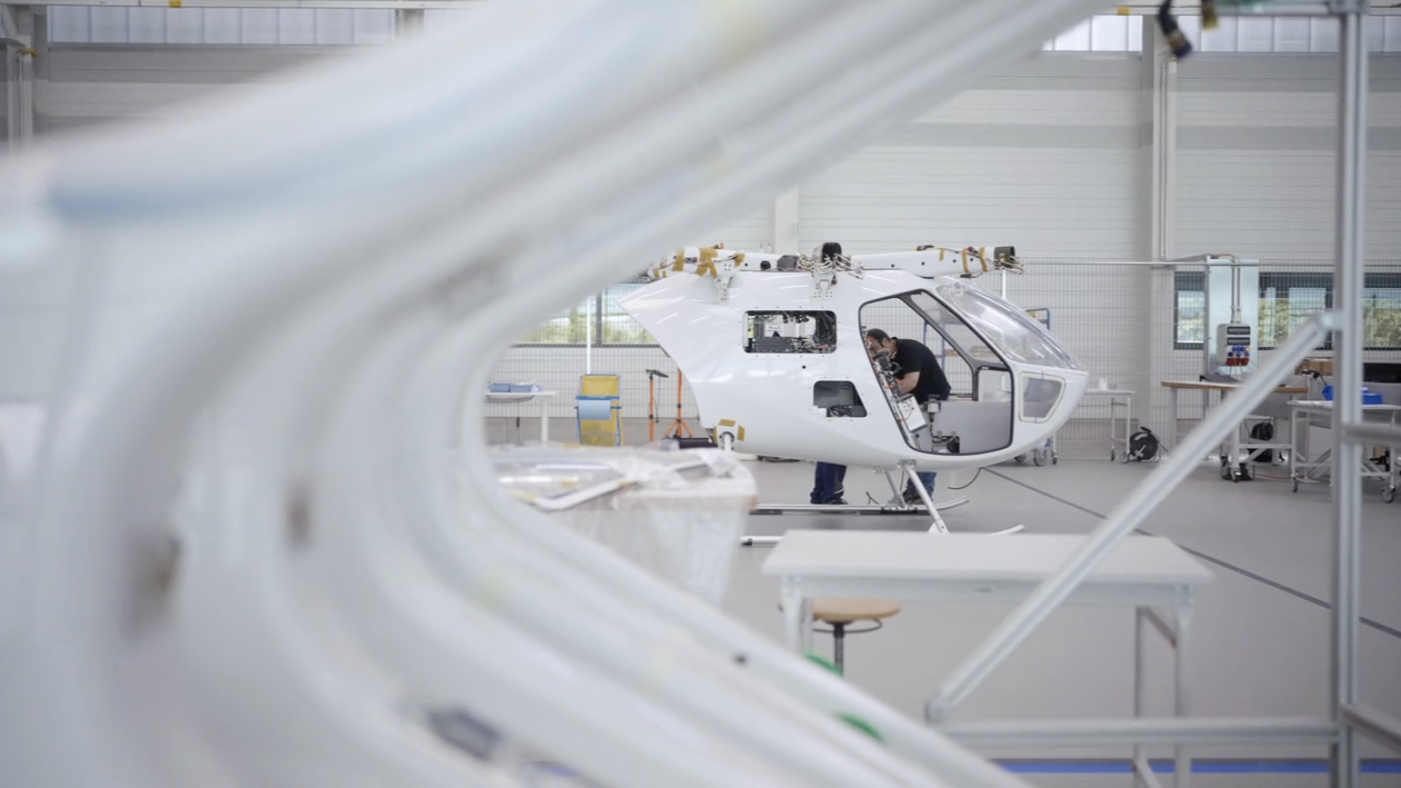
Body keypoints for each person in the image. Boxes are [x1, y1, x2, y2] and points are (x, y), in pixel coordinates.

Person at [864, 327, 951, 503]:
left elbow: (910, 383)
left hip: (932, 400)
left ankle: (921, 494)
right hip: (912, 401)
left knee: (926, 447)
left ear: (886, 341)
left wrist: (884, 403)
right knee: (915, 446)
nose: (873, 354)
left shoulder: (910, 350)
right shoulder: (887, 357)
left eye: (874, 348)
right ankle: (913, 490)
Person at [810, 241, 850, 505]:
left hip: (826, 378)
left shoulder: (817, 290)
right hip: (838, 381)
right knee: (841, 444)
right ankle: (830, 494)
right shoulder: (837, 291)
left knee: (828, 444)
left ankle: (820, 493)